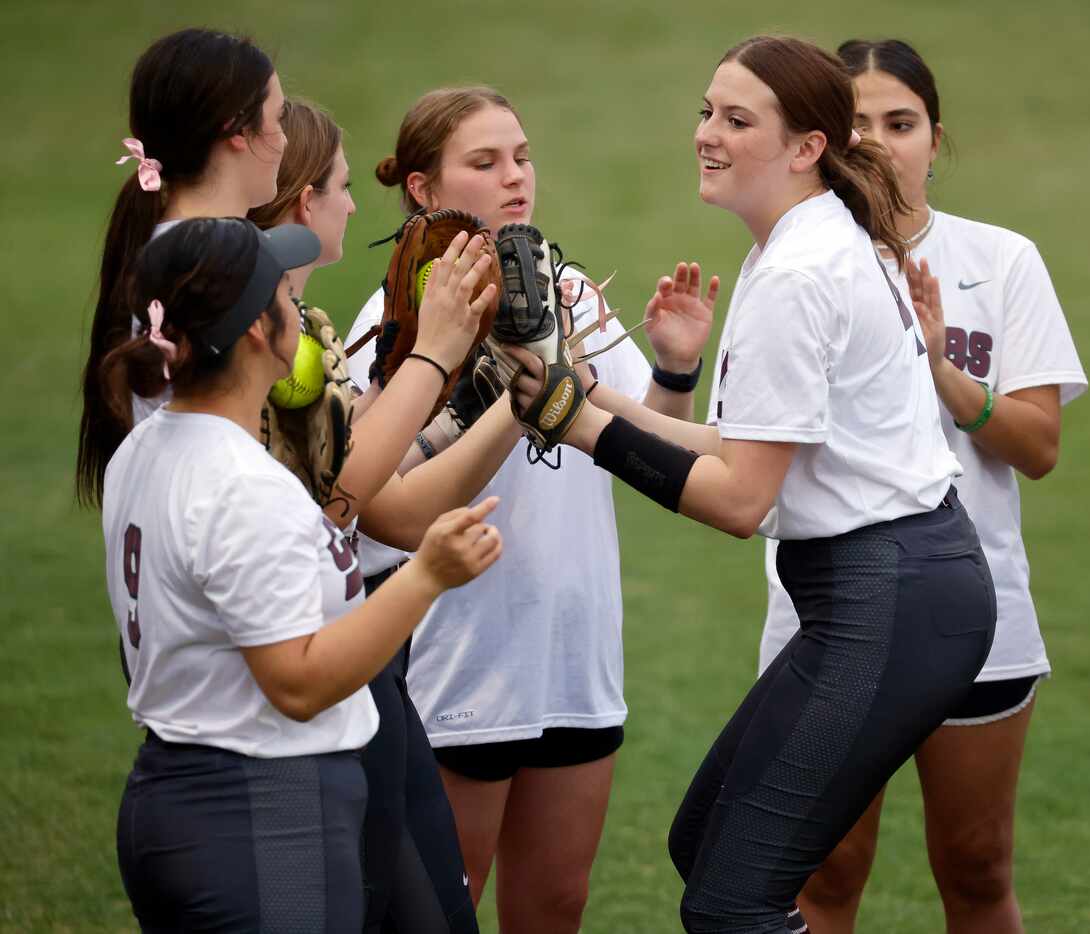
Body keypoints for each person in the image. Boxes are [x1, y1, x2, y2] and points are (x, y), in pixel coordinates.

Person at [505, 35, 997, 934]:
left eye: (737, 120)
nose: (708, 134)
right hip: (900, 588)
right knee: (705, 846)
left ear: (808, 147)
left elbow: (740, 500)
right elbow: (741, 443)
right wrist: (595, 398)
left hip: (891, 598)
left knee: (732, 903)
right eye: (707, 112)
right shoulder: (809, 243)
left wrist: (579, 426)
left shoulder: (801, 271)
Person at [346, 85, 710, 933]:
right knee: (441, 912)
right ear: (425, 192)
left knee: (555, 910)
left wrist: (674, 373)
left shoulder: (570, 292)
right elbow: (375, 498)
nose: (516, 177)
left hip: (574, 659)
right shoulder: (395, 322)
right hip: (458, 661)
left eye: (522, 156)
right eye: (484, 162)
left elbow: (645, 451)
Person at [744, 38, 1085, 934]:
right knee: (822, 876)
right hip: (826, 611)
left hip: (972, 607)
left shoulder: (1001, 260)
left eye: (903, 122)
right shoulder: (792, 260)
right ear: (820, 139)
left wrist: (943, 372)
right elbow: (751, 450)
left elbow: (1040, 445)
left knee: (975, 871)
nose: (882, 143)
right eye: (858, 123)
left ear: (939, 139)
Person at [96, 216, 503, 931]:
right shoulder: (242, 485)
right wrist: (427, 575)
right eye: (285, 295)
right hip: (264, 808)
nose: (304, 314)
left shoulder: (147, 447)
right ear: (258, 330)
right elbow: (299, 682)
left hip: (179, 791)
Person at [250, 97, 511, 933]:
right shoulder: (277, 350)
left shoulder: (296, 338)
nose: (356, 203)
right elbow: (360, 500)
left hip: (357, 679)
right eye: (341, 186)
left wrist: (499, 397)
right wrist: (437, 351)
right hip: (302, 698)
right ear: (301, 206)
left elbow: (379, 473)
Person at [79, 27, 287, 507]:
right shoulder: (215, 266)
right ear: (237, 131)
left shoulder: (172, 248)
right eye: (278, 119)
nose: (284, 139)